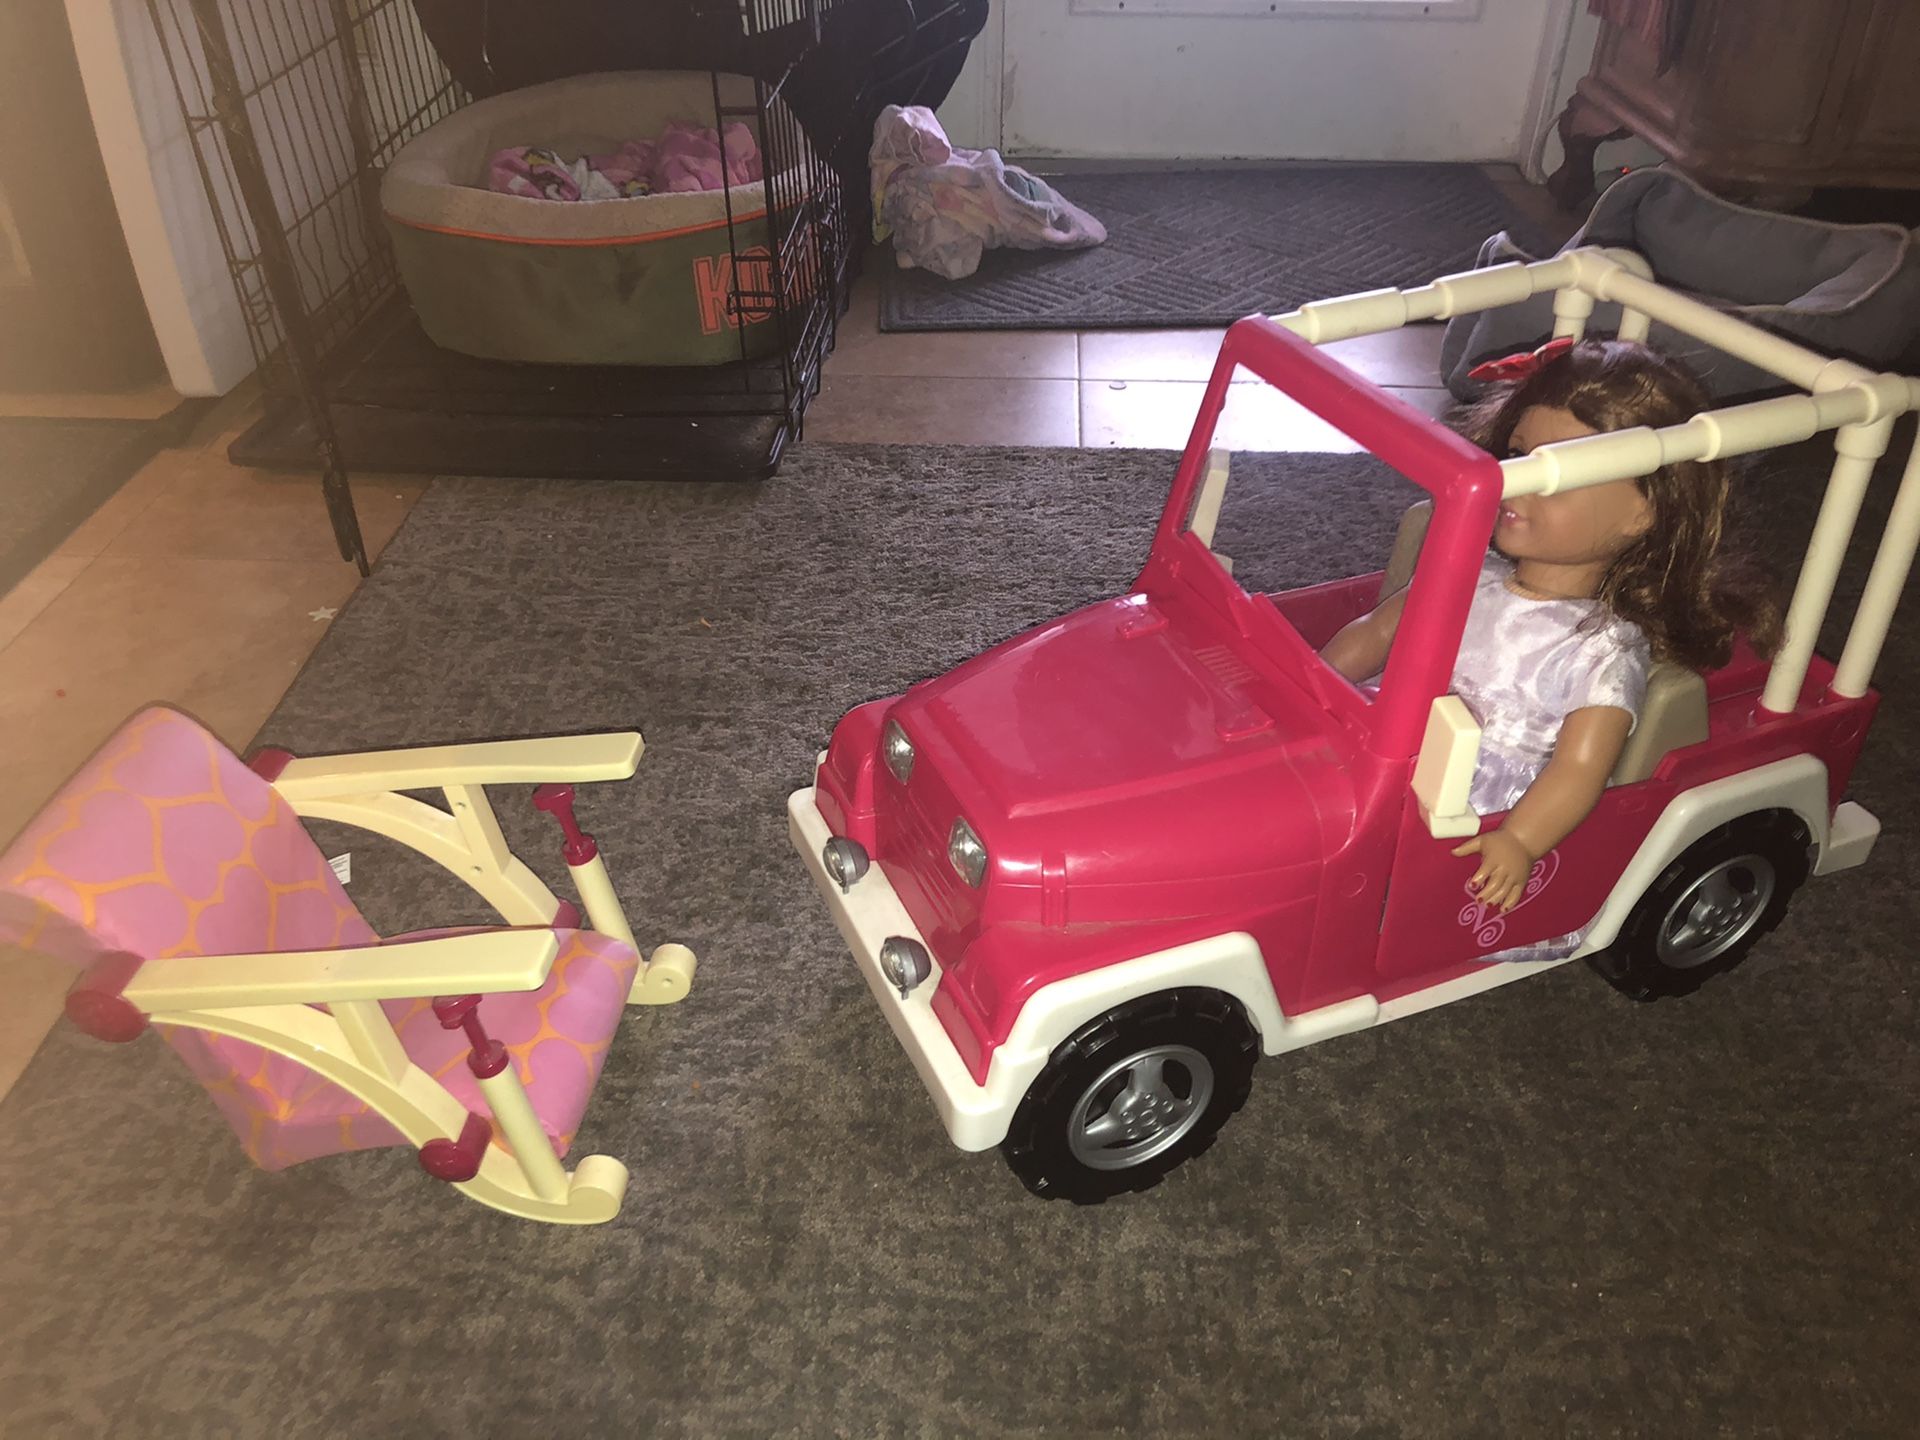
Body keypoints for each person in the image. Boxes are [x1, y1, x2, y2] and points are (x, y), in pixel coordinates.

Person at [1320, 338, 1781, 958]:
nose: (1518, 486)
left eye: (1556, 477)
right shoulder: (1469, 574)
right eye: (1517, 457)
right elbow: (1379, 632)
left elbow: (1577, 769)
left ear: (1642, 514)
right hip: (1399, 733)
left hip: (1476, 793)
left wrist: (1521, 840)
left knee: (1357, 845)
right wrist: (1316, 689)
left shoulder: (1601, 649)